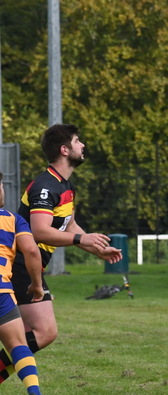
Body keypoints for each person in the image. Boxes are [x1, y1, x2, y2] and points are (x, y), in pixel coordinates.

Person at [0, 124, 121, 382]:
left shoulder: (66, 185)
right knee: (43, 332)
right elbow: (40, 231)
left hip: (29, 264)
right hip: (22, 263)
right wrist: (82, 238)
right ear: (64, 150)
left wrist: (97, 248)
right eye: (77, 141)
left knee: (25, 335)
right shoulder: (45, 186)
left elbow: (69, 225)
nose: (83, 145)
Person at [0, 182, 43, 395]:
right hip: (2, 293)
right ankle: (34, 393)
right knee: (18, 345)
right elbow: (32, 252)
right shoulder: (14, 219)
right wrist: (36, 284)